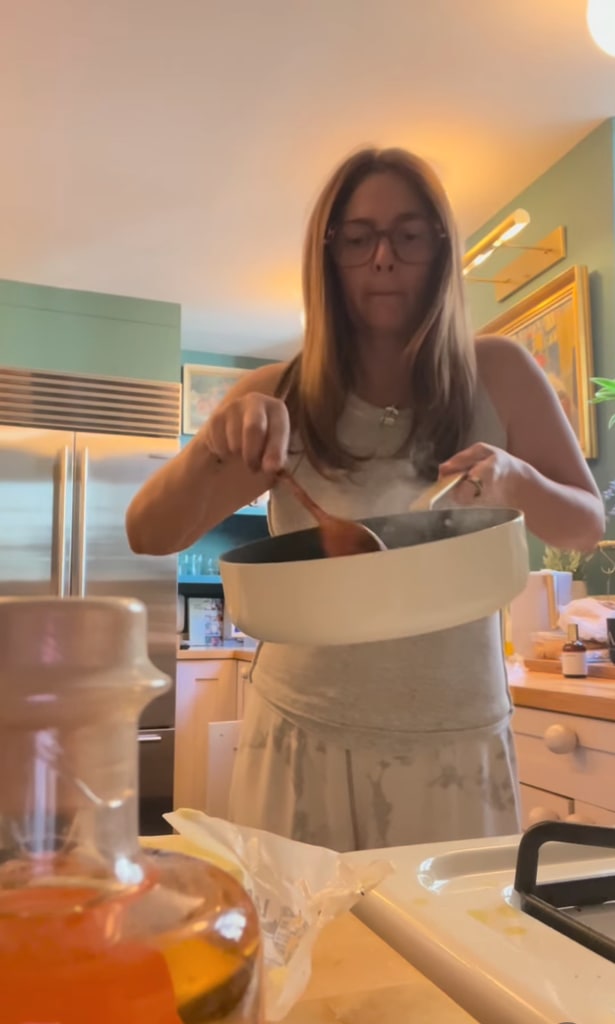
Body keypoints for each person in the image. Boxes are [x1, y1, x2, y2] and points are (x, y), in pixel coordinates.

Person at [126, 147, 604, 852]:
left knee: (437, 956)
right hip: (299, 736)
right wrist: (212, 446)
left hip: (456, 739)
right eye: (357, 239)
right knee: (307, 954)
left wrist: (514, 479)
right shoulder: (276, 392)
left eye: (408, 235)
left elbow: (585, 524)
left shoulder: (498, 370)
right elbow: (148, 533)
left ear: (439, 251)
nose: (383, 258)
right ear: (329, 257)